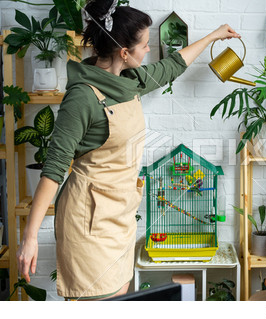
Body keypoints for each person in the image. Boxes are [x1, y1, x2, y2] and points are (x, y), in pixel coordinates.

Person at [16, 0, 240, 300]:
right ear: (124, 52)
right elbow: (54, 169)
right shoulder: (82, 97)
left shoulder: (126, 81)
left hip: (119, 215)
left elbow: (171, 66)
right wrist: (30, 238)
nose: (148, 51)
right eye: (145, 45)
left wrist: (213, 36)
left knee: (120, 295)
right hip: (89, 224)